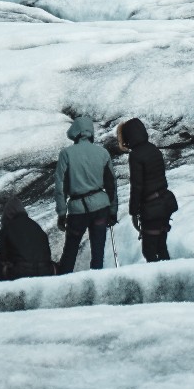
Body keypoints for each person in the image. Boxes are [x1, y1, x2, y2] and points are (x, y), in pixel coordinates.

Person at [53, 115, 118, 274]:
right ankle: (96, 288)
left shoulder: (66, 154)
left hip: (77, 211)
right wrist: (113, 210)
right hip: (101, 208)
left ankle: (63, 286)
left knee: (70, 253)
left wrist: (62, 213)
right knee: (98, 254)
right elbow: (111, 184)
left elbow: (60, 185)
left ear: (75, 133)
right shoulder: (102, 153)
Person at [119, 117, 176, 263]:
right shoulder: (154, 149)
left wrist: (133, 211)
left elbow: (137, 186)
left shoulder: (136, 155)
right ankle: (171, 277)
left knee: (149, 251)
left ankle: (158, 283)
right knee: (162, 247)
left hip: (151, 209)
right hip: (164, 203)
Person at [0, 204, 56, 280]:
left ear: (7, 215)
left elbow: (2, 256)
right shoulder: (36, 226)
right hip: (46, 271)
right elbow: (47, 253)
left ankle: (3, 289)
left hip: (20, 273)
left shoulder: (8, 227)